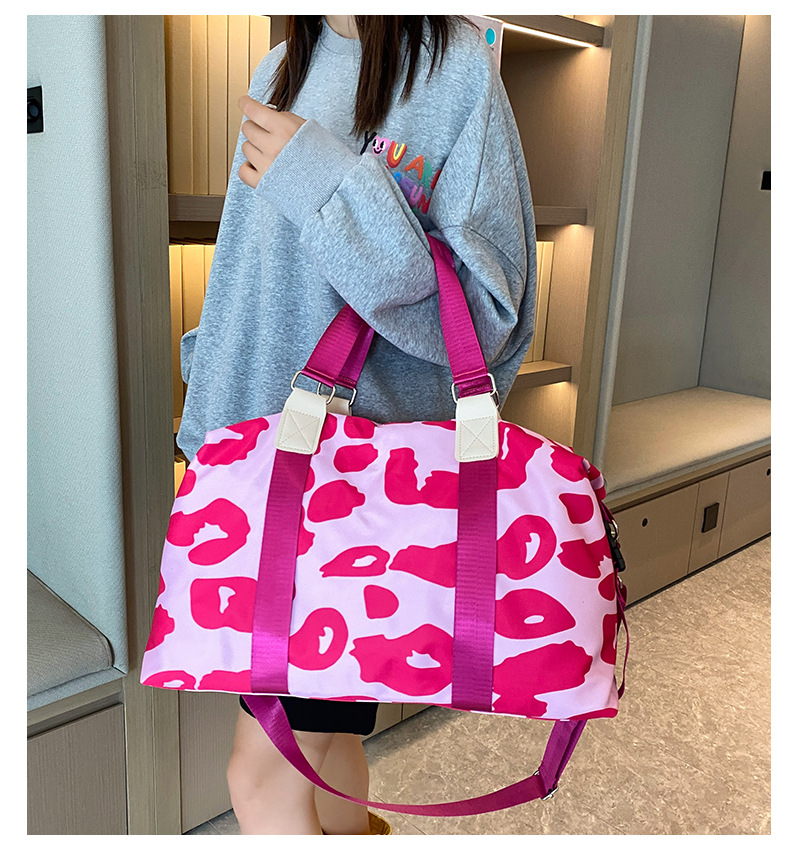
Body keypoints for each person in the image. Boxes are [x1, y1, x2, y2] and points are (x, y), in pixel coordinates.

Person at [176, 14, 538, 835]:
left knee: (259, 776)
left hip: (357, 506)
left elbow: (487, 315)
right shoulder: (279, 67)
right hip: (254, 485)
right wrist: (205, 432)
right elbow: (244, 281)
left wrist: (331, 185)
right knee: (327, 753)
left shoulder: (457, 71)